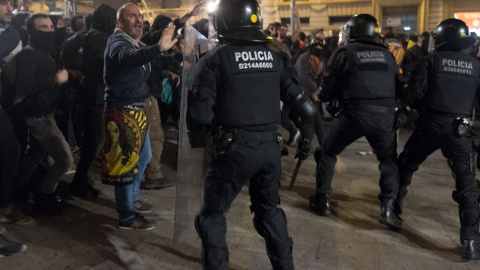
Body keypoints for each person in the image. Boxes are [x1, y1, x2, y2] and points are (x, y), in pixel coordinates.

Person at [188, 0, 316, 269]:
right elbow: (306, 108)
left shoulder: (214, 59)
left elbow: (200, 118)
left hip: (232, 152)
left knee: (212, 215)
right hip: (270, 151)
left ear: (221, 21)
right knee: (269, 213)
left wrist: (204, 135)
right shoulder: (277, 56)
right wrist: (306, 139)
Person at [309, 14, 404, 230]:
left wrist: (323, 96)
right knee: (388, 161)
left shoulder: (344, 52)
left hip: (354, 114)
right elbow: (398, 86)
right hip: (385, 116)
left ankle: (322, 200)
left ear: (353, 31)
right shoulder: (388, 55)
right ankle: (388, 208)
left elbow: (328, 89)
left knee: (327, 152)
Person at [396, 18, 480, 260]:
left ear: (442, 39)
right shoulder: (475, 66)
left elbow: (414, 94)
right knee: (466, 185)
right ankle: (471, 240)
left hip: (431, 125)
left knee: (407, 163)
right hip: (461, 130)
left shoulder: (431, 61)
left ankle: (393, 208)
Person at [102, 3, 177, 230]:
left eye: (140, 16)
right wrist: (157, 49)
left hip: (135, 109)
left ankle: (133, 200)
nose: (139, 20)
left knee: (143, 157)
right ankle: (126, 216)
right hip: (122, 111)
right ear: (119, 22)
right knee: (126, 166)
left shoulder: (134, 42)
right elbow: (129, 58)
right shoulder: (117, 42)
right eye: (132, 16)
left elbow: (148, 55)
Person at [14, 13, 73, 216]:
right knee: (65, 160)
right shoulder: (30, 53)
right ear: (32, 31)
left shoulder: (43, 52)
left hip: (45, 113)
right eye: (43, 27)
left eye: (50, 27)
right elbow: (24, 85)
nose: (49, 31)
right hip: (39, 117)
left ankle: (19, 190)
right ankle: (44, 195)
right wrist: (55, 78)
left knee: (35, 155)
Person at [69, 4, 117, 198]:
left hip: (82, 95)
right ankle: (79, 182)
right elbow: (109, 68)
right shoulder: (101, 39)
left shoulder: (82, 36)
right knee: (95, 140)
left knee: (91, 139)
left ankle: (82, 179)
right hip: (95, 96)